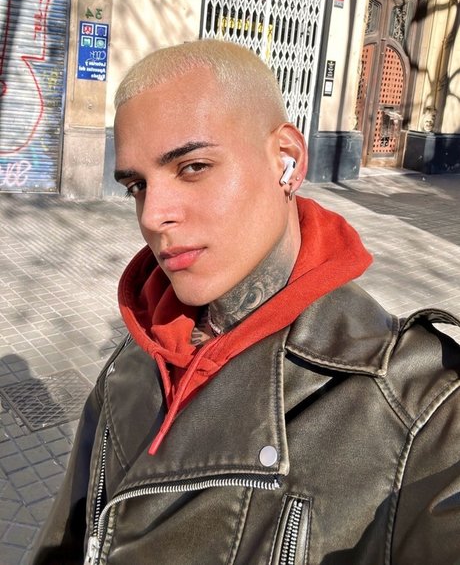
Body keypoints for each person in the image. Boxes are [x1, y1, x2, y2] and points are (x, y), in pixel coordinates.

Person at [32, 39, 460, 565]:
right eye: (136, 185)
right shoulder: (139, 353)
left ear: (287, 161)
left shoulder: (424, 411)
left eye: (192, 167)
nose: (153, 215)